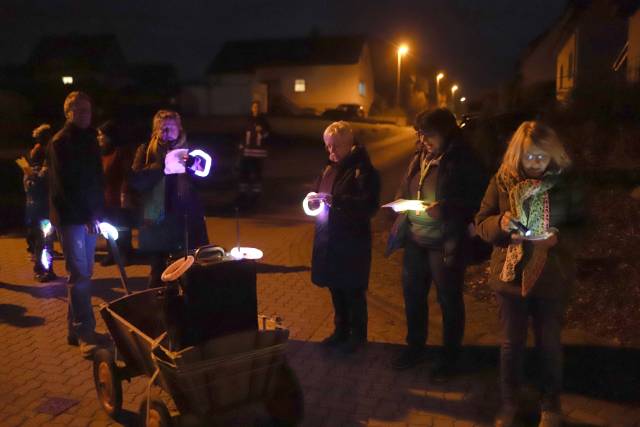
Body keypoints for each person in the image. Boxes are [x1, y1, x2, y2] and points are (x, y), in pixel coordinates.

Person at [475, 121, 582, 427]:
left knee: (549, 343)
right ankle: (510, 403)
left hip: (552, 277)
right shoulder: (502, 181)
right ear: (516, 155)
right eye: (528, 157)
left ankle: (551, 405)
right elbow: (481, 222)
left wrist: (560, 239)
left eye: (541, 157)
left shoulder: (566, 183)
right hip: (510, 278)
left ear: (553, 155)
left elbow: (583, 226)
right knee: (511, 344)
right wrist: (500, 224)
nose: (534, 164)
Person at [388, 108, 485, 379]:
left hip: (445, 242)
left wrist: (446, 208)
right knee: (413, 296)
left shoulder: (464, 159)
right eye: (420, 134)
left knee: (449, 300)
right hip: (416, 240)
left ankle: (450, 358)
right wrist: (400, 201)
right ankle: (415, 348)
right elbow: (405, 186)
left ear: (446, 132)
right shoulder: (420, 155)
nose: (423, 140)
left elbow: (480, 201)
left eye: (429, 134)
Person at [309, 121, 380, 355]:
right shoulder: (330, 168)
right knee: (335, 288)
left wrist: (337, 202)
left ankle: (357, 336)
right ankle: (340, 331)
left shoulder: (363, 170)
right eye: (327, 147)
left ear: (350, 144)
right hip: (329, 239)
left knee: (352, 290)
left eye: (335, 147)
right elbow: (318, 190)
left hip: (351, 242)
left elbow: (368, 206)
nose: (331, 152)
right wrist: (312, 198)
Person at [48, 91, 106, 357]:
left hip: (89, 217)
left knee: (84, 274)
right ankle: (85, 332)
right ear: (68, 112)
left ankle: (75, 328)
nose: (85, 115)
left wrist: (97, 212)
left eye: (88, 110)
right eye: (80, 110)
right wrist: (86, 216)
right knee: (80, 275)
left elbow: (95, 179)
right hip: (73, 219)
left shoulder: (91, 139)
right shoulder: (61, 142)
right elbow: (64, 189)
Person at [130, 110, 209, 288]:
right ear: (155, 130)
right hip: (158, 219)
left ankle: (186, 309)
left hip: (186, 219)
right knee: (158, 272)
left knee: (188, 269)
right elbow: (135, 180)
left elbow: (205, 178)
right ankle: (157, 309)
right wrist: (160, 167)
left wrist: (193, 167)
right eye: (163, 128)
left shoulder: (191, 149)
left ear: (179, 128)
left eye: (171, 127)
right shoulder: (146, 150)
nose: (167, 131)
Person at [23, 123, 57, 282]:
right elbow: (33, 188)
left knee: (45, 241)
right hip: (41, 210)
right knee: (43, 241)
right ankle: (41, 269)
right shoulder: (37, 172)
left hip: (42, 210)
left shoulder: (36, 171)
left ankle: (46, 268)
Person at [97, 120, 134, 266]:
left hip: (118, 196)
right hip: (105, 196)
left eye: (101, 135)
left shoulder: (120, 152)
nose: (98, 138)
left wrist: (125, 194)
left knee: (121, 227)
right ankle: (112, 253)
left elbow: (127, 174)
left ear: (109, 136)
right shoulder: (101, 153)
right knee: (107, 226)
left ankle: (125, 254)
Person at [237, 100, 270, 205]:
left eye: (257, 107)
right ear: (252, 108)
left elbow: (268, 136)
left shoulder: (263, 121)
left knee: (256, 174)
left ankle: (256, 195)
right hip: (247, 152)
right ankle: (243, 194)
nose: (255, 109)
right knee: (244, 173)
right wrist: (241, 145)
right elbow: (242, 134)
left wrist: (262, 130)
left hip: (258, 153)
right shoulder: (248, 120)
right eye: (254, 107)